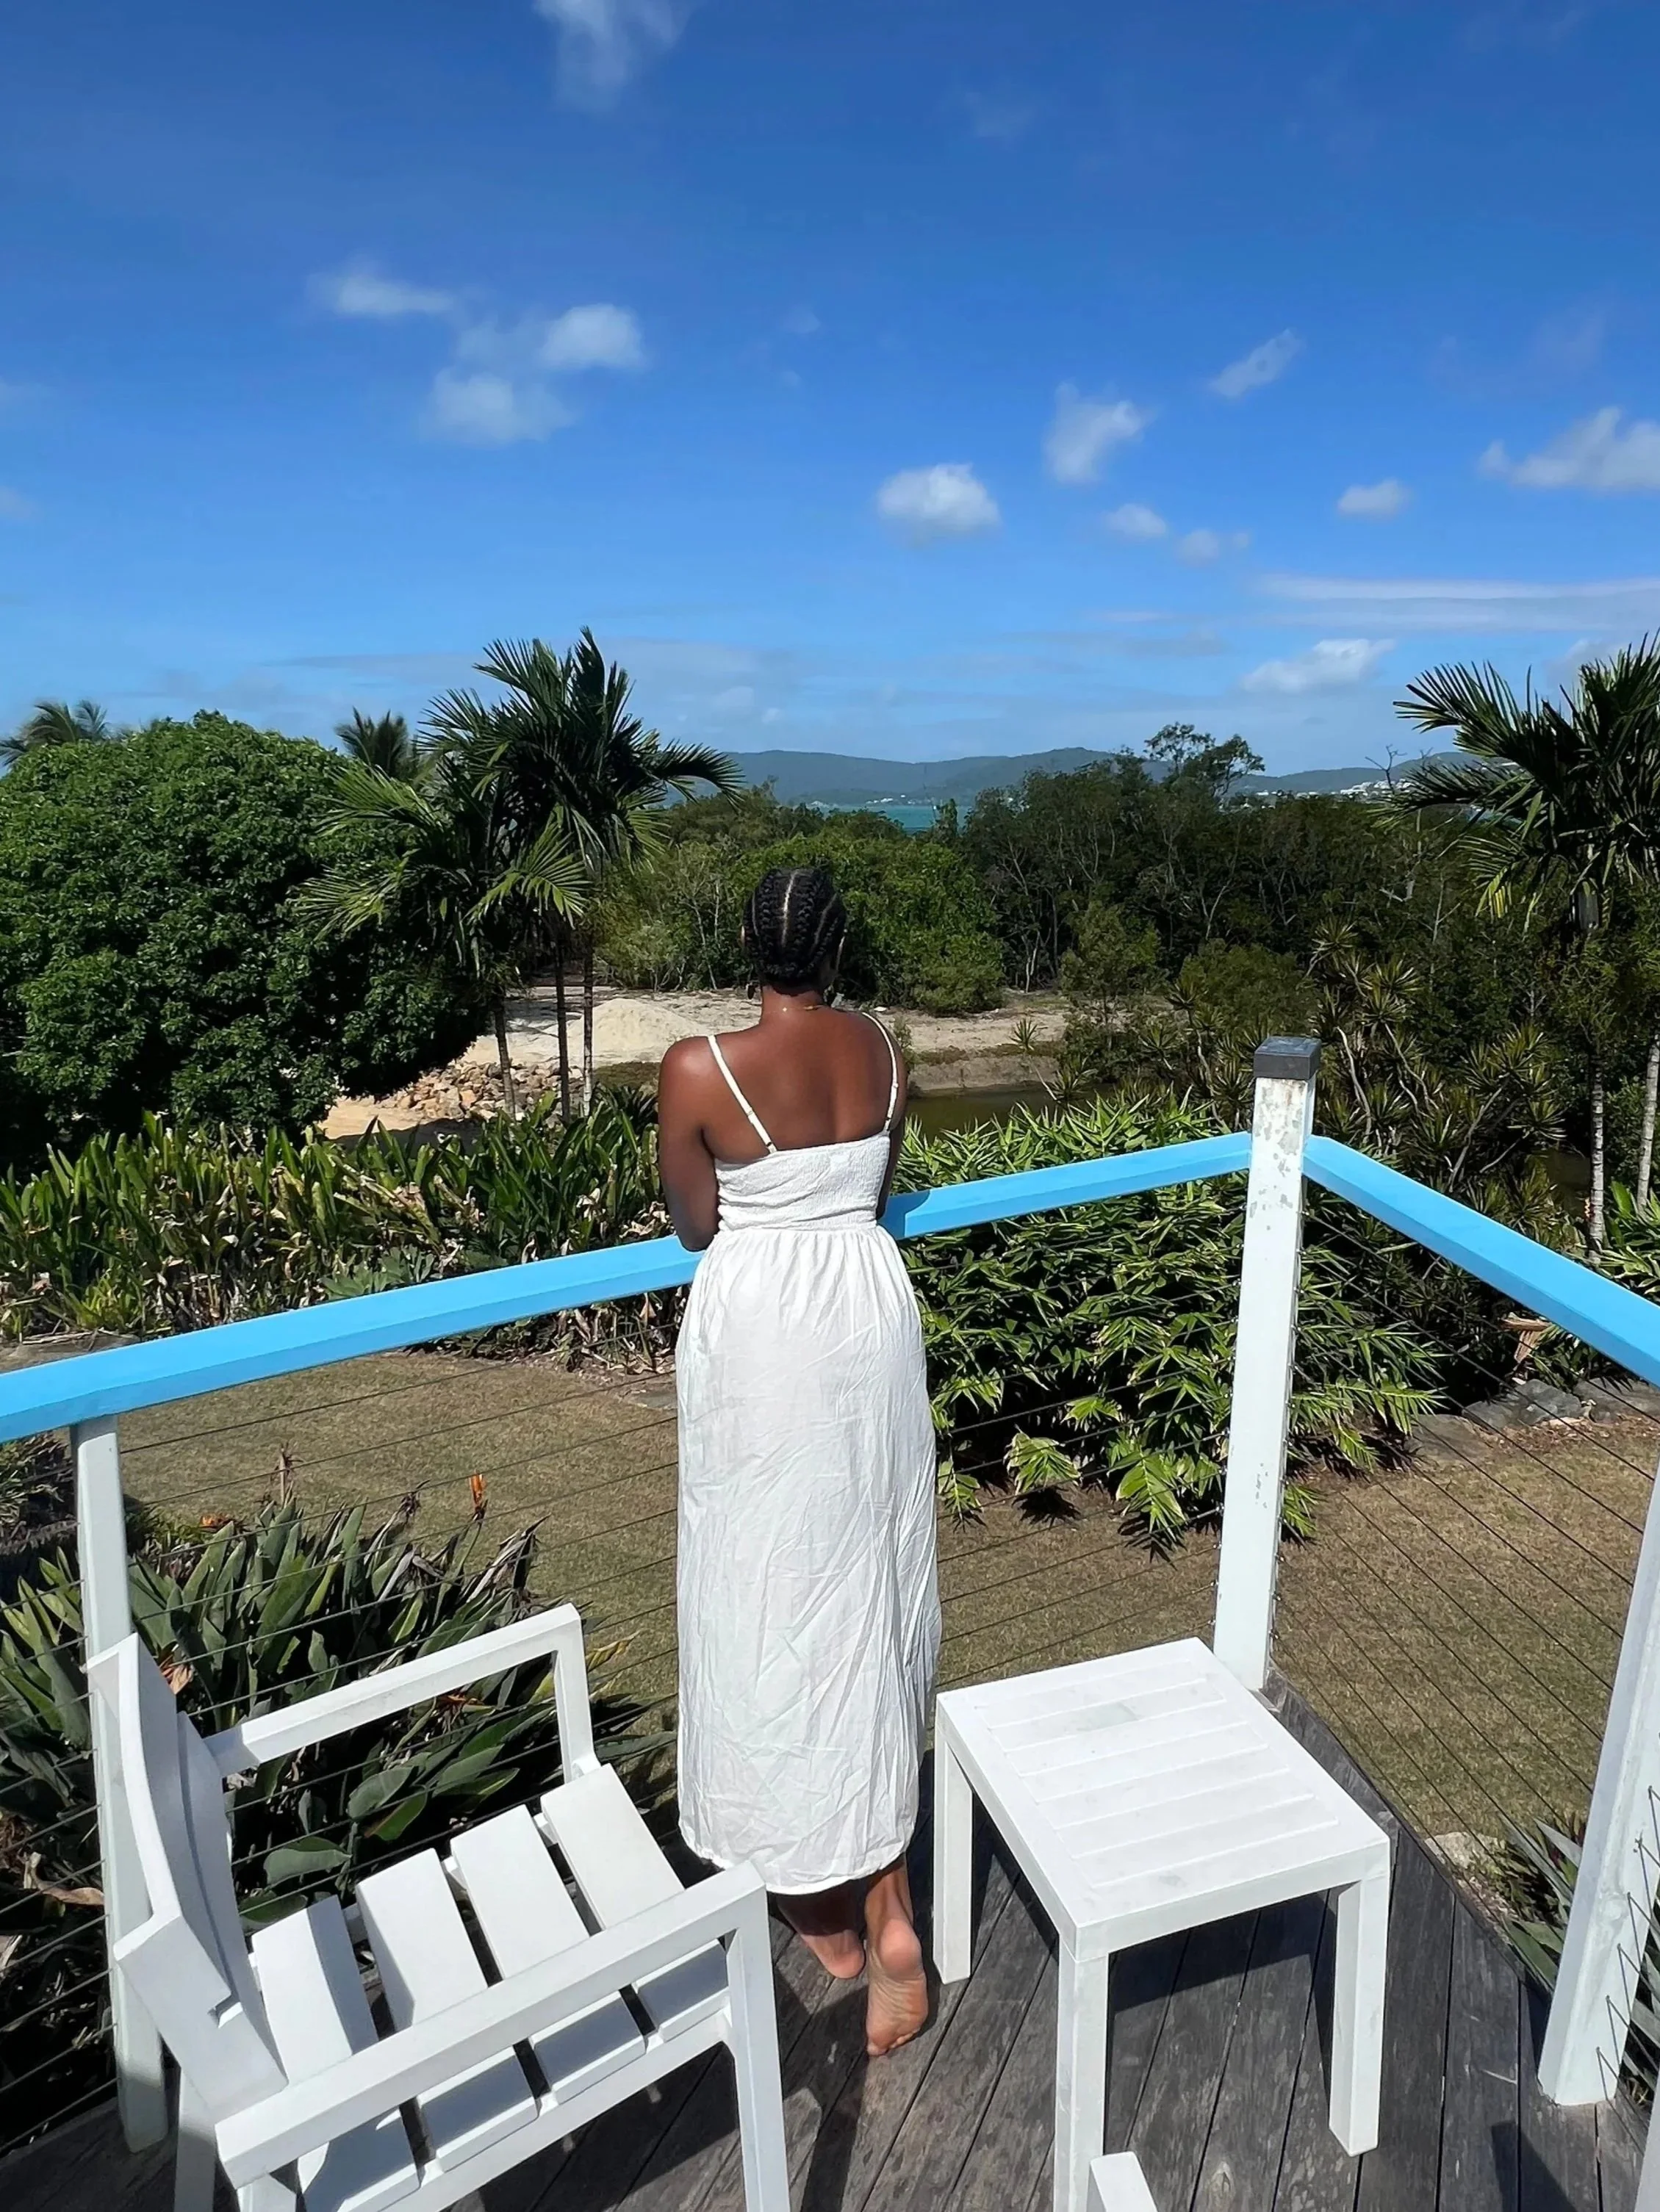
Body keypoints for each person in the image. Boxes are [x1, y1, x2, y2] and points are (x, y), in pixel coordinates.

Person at [657, 863, 939, 2058]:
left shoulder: (696, 1067)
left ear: (744, 940)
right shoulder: (883, 1049)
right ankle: (885, 1909)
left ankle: (820, 1897)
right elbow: (873, 1190)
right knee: (868, 1589)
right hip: (866, 1314)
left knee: (760, 1593)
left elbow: (692, 1220)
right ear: (837, 941)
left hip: (766, 1331)